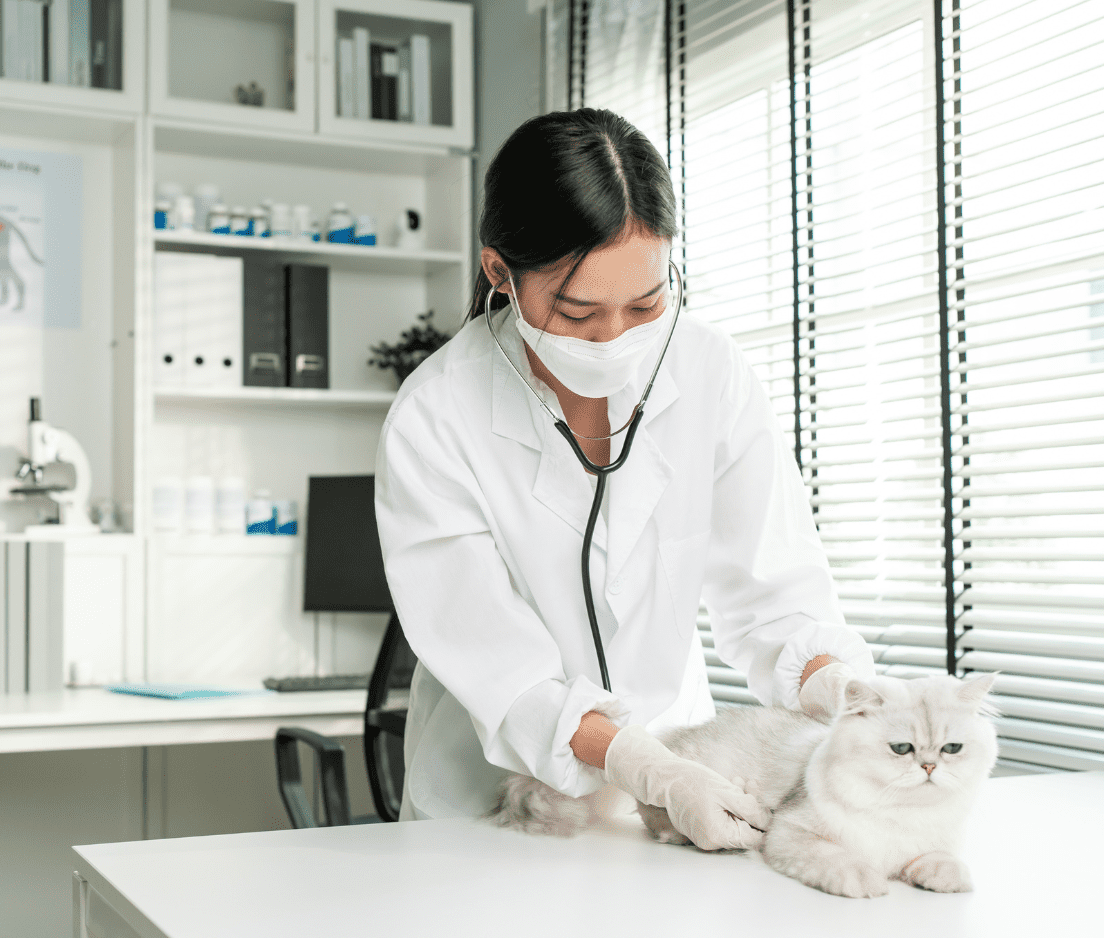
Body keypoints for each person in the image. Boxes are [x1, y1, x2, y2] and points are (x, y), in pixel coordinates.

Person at [374, 108, 876, 848]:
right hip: (491, 810)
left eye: (645, 304)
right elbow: (501, 668)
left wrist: (842, 689)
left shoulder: (710, 372)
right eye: (578, 312)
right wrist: (642, 764)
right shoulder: (435, 416)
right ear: (500, 274)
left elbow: (776, 600)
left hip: (687, 797)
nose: (615, 339)